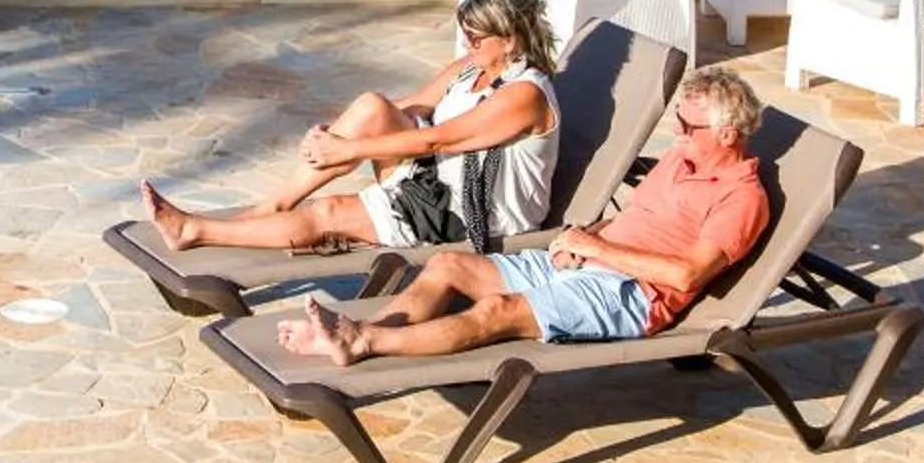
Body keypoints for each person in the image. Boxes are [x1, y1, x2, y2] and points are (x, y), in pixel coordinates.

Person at [277, 64, 773, 365]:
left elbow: (688, 274)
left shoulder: (741, 198)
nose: (678, 131)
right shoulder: (679, 159)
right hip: (586, 261)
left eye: (689, 125)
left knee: (498, 312)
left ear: (727, 135)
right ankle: (352, 339)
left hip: (629, 295)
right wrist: (581, 236)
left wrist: (599, 250)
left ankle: (362, 340)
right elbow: (632, 221)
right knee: (447, 265)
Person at [140, 0, 565, 257]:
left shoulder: (524, 95)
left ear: (510, 40)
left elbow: (438, 140)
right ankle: (276, 205)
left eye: (476, 36)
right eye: (464, 32)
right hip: (437, 179)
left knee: (330, 213)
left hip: (473, 211)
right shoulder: (471, 70)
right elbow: (408, 109)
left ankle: (194, 231)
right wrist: (339, 132)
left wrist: (350, 149)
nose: (467, 42)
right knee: (372, 105)